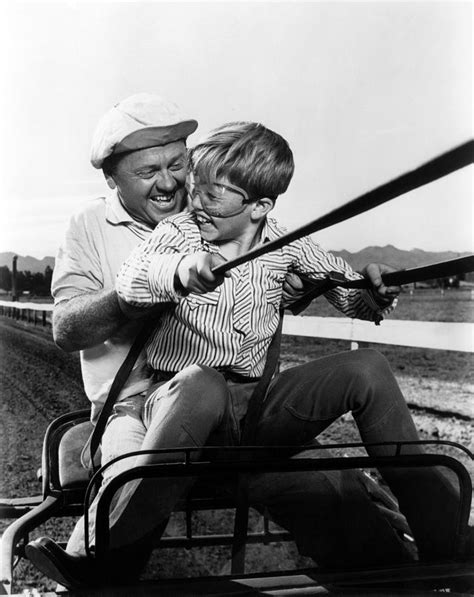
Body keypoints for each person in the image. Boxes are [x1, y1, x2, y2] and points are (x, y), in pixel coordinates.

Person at [26, 99, 419, 589]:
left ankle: (409, 574)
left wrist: (342, 291)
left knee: (342, 495)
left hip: (240, 412)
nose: (169, 184)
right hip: (136, 409)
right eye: (148, 171)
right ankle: (101, 569)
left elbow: (275, 288)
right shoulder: (92, 227)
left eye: (178, 165)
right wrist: (164, 284)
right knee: (126, 480)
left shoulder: (222, 208)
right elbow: (67, 328)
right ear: (112, 178)